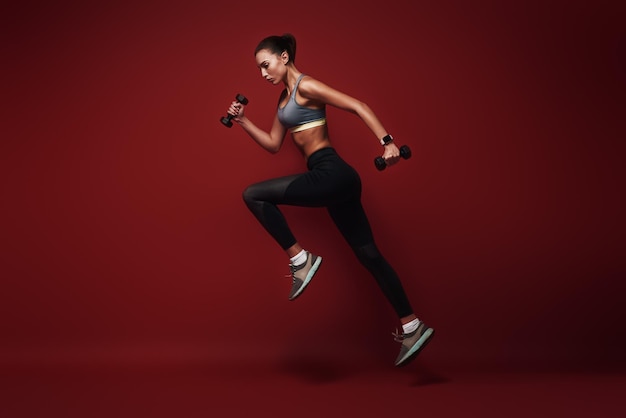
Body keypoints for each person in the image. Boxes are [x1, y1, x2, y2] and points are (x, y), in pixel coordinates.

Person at [225, 33, 434, 367]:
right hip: (337, 180)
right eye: (259, 70)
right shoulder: (282, 102)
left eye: (266, 65)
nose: (263, 73)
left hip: (331, 172)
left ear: (283, 57)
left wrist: (387, 142)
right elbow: (273, 144)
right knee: (369, 255)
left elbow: (357, 105)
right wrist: (244, 121)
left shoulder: (305, 87)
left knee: (253, 195)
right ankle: (412, 325)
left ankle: (301, 261)